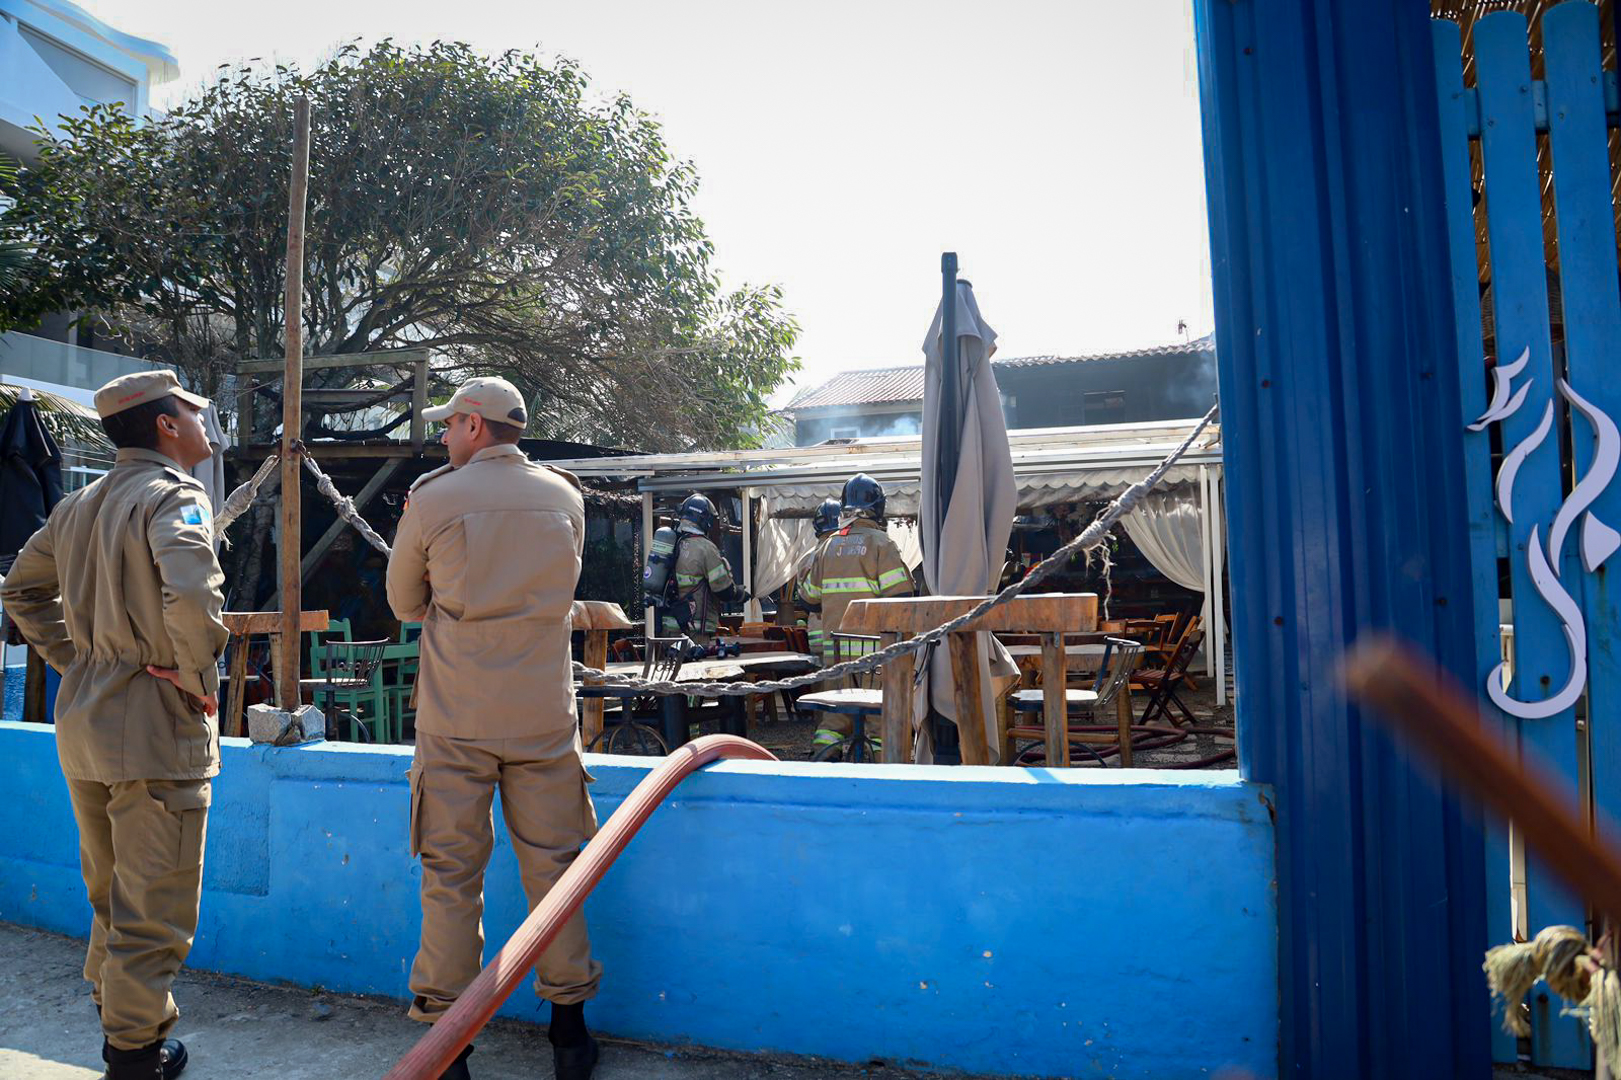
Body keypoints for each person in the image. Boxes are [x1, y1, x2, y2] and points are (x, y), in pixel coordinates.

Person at [1, 370, 225, 1080]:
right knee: (152, 910)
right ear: (166, 425)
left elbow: (20, 588)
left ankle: (119, 1022)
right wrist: (196, 677)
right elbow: (190, 590)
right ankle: (134, 1055)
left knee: (110, 894)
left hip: (85, 722)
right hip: (155, 723)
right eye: (194, 414)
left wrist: (77, 658)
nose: (203, 426)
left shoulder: (78, 504)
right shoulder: (174, 494)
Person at [385, 377, 601, 1080]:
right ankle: (569, 1033)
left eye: (449, 425)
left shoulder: (434, 499)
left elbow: (404, 604)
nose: (444, 436)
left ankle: (449, 1051)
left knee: (451, 875)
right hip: (544, 715)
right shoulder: (564, 495)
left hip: (456, 718)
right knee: (558, 871)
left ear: (475, 425)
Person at [798, 474, 913, 753]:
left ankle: (824, 762)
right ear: (878, 507)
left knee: (835, 718)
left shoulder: (827, 546)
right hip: (873, 653)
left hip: (835, 654)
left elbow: (808, 598)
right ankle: (876, 774)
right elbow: (902, 599)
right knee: (876, 718)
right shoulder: (881, 545)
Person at [657, 493, 746, 646]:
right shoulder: (705, 548)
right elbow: (722, 590)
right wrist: (738, 593)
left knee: (673, 668)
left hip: (669, 629)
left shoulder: (671, 542)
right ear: (704, 520)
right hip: (694, 631)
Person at [793, 498, 843, 660]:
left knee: (824, 683)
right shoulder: (846, 554)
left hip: (817, 636)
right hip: (844, 635)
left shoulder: (805, 560)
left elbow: (805, 601)